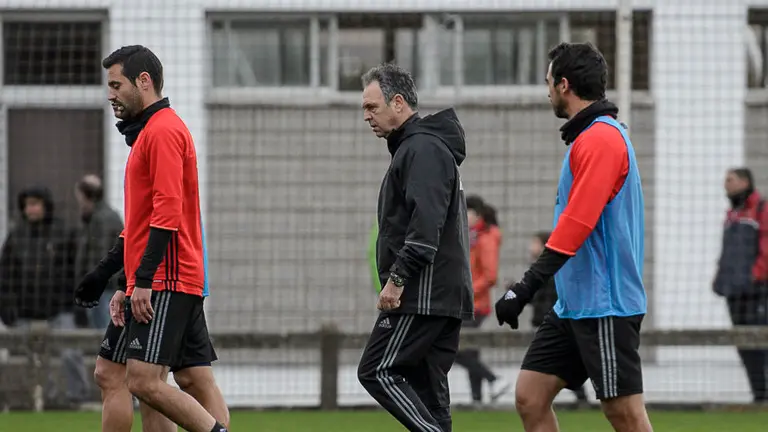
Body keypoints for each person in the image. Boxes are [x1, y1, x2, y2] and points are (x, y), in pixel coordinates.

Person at [494, 42, 653, 432]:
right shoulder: (587, 139)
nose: (546, 90)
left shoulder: (601, 139)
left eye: (548, 82)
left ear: (564, 85)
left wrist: (524, 288)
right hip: (574, 305)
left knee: (624, 413)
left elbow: (577, 224)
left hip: (606, 305)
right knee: (530, 397)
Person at [73, 45, 228, 432]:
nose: (110, 94)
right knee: (117, 373)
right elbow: (140, 226)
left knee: (144, 381)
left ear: (143, 81)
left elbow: (167, 213)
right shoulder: (147, 134)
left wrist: (141, 281)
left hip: (166, 279)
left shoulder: (162, 131)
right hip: (155, 278)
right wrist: (113, 276)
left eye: (116, 85)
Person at [356, 63, 473, 432]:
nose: (366, 116)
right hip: (439, 295)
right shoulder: (420, 147)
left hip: (423, 294)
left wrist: (396, 280)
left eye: (372, 107)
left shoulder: (421, 148)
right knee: (429, 395)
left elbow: (425, 227)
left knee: (376, 370)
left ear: (398, 103)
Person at [0, 186, 89, 408]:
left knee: (70, 352)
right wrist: (6, 307)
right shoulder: (16, 237)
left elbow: (76, 271)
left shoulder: (63, 234)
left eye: (35, 204)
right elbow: (5, 275)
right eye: (27, 205)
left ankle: (77, 398)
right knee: (26, 357)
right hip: (24, 310)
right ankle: (38, 399)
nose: (30, 209)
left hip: (60, 307)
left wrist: (77, 304)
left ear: (45, 205)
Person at [713, 167, 768, 403]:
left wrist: (755, 276)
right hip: (734, 291)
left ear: (745, 182)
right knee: (743, 344)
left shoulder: (761, 209)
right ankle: (759, 395)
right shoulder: (732, 214)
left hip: (757, 290)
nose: (726, 184)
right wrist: (720, 278)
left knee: (760, 341)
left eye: (730, 180)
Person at [453, 195, 509, 406]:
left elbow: (490, 276)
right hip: (469, 303)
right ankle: (477, 399)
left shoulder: (485, 238)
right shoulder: (473, 236)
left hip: (475, 304)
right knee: (470, 350)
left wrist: (465, 292)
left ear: (477, 214)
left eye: (465, 212)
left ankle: (494, 379)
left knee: (454, 348)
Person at [527, 231, 588, 404]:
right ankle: (579, 395)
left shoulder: (550, 271)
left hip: (551, 322)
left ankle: (577, 395)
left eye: (535, 243)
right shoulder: (540, 269)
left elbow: (546, 297)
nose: (530, 247)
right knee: (556, 362)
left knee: (549, 361)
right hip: (545, 320)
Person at [73, 174, 125, 330]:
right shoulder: (99, 216)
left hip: (104, 287)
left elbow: (101, 254)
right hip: (105, 285)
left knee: (103, 330)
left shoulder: (100, 219)